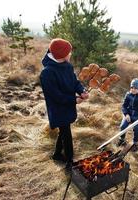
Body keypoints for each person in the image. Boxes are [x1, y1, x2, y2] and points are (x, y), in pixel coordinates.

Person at [40, 38, 89, 171]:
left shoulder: (67, 66)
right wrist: (74, 100)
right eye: (69, 52)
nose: (70, 54)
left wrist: (81, 90)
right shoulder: (47, 73)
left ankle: (56, 154)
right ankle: (70, 161)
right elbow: (55, 96)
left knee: (63, 130)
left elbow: (74, 81)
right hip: (57, 108)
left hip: (67, 105)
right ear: (61, 55)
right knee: (66, 133)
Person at [117, 78, 138, 152]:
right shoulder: (128, 95)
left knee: (137, 129)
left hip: (137, 115)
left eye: (135, 88)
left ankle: (135, 143)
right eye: (132, 88)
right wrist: (126, 114)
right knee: (123, 126)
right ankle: (122, 139)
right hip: (128, 114)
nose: (133, 89)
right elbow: (124, 106)